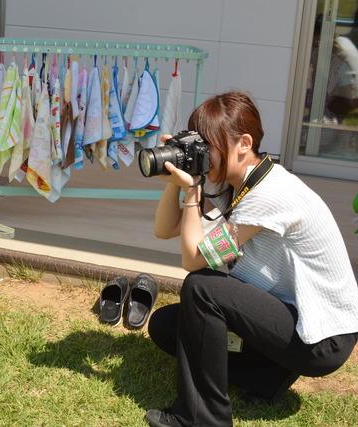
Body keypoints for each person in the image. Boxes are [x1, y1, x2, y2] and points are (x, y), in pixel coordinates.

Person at [144, 91, 358, 427]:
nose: (205, 156)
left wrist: (192, 191)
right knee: (168, 326)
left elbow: (193, 259)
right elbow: (164, 229)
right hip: (289, 316)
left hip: (321, 338)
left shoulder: (270, 194)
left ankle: (203, 418)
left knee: (201, 289)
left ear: (244, 143)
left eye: (208, 146)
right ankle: (265, 377)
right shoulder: (239, 183)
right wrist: (175, 181)